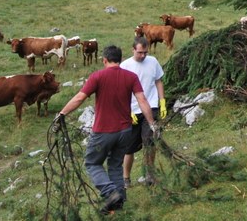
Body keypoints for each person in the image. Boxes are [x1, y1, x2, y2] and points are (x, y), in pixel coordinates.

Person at [54, 45, 157, 215]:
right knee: (115, 165)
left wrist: (62, 113)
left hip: (103, 132)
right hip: (125, 132)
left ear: (104, 60)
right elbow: (143, 100)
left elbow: (80, 98)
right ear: (120, 59)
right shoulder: (131, 77)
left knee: (92, 163)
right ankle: (119, 202)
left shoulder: (98, 76)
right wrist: (152, 123)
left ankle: (110, 193)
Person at [121, 39, 166, 189]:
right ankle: (126, 178)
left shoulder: (153, 62)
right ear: (133, 49)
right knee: (129, 148)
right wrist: (127, 110)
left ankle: (149, 174)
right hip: (133, 109)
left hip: (151, 106)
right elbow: (121, 92)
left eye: (145, 52)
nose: (143, 56)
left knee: (149, 142)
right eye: (140, 52)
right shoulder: (125, 66)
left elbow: (158, 81)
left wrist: (162, 101)